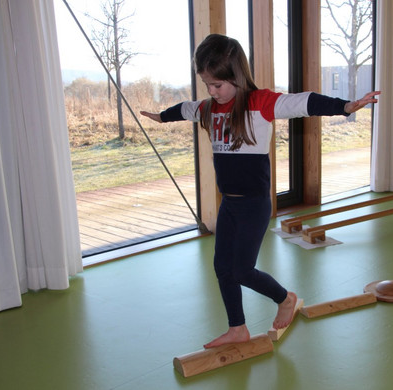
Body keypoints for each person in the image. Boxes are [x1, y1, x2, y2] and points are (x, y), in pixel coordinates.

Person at [140, 34, 380, 348]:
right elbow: (186, 108)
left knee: (242, 270)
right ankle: (237, 328)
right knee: (222, 268)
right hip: (229, 204)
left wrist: (345, 106)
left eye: (217, 85)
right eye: (207, 85)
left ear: (237, 77)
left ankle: (285, 298)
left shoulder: (261, 103)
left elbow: (303, 102)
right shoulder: (210, 108)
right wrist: (161, 117)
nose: (212, 93)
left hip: (254, 205)